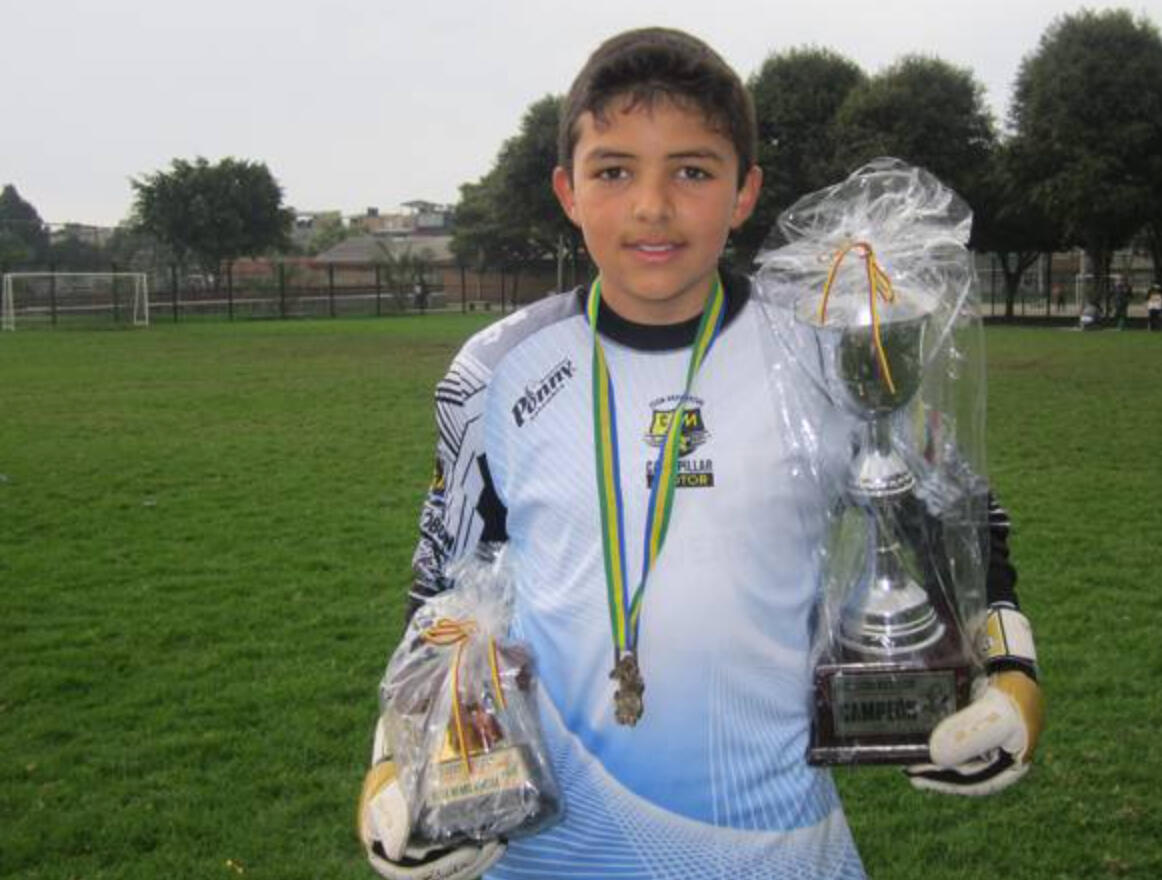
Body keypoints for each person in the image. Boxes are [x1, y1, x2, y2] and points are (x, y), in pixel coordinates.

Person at [358, 28, 1044, 880]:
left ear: (745, 190)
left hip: (777, 850)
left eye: (691, 171)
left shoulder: (826, 350)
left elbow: (961, 520)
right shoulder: (494, 372)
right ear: (567, 190)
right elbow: (443, 585)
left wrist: (1011, 669)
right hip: (548, 853)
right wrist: (395, 758)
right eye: (614, 171)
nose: (652, 206)